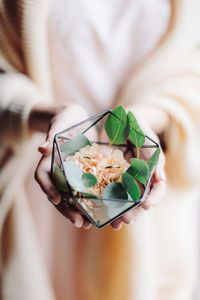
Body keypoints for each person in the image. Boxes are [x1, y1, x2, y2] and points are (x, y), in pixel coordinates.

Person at [0, 1, 200, 299]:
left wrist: (143, 120)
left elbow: (192, 75)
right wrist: (52, 115)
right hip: (46, 170)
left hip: (149, 178)